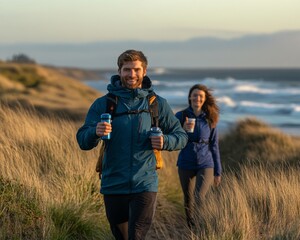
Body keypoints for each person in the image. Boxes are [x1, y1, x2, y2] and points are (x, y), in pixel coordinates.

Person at [76, 50, 188, 240]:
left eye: (136, 69)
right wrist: (95, 132)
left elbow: (181, 136)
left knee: (136, 236)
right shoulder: (103, 104)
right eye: (127, 69)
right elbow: (82, 140)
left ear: (144, 71)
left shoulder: (156, 104)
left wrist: (165, 141)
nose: (132, 74)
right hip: (113, 183)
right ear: (119, 72)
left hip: (144, 183)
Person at [175, 84, 222, 229]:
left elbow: (214, 145)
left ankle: (201, 226)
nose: (197, 98)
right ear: (190, 97)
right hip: (185, 162)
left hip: (205, 163)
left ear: (204, 98)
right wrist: (182, 130)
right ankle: (191, 227)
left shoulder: (210, 118)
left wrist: (218, 171)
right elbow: (172, 135)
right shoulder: (181, 115)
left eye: (201, 96)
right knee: (188, 198)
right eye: (195, 95)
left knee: (199, 197)